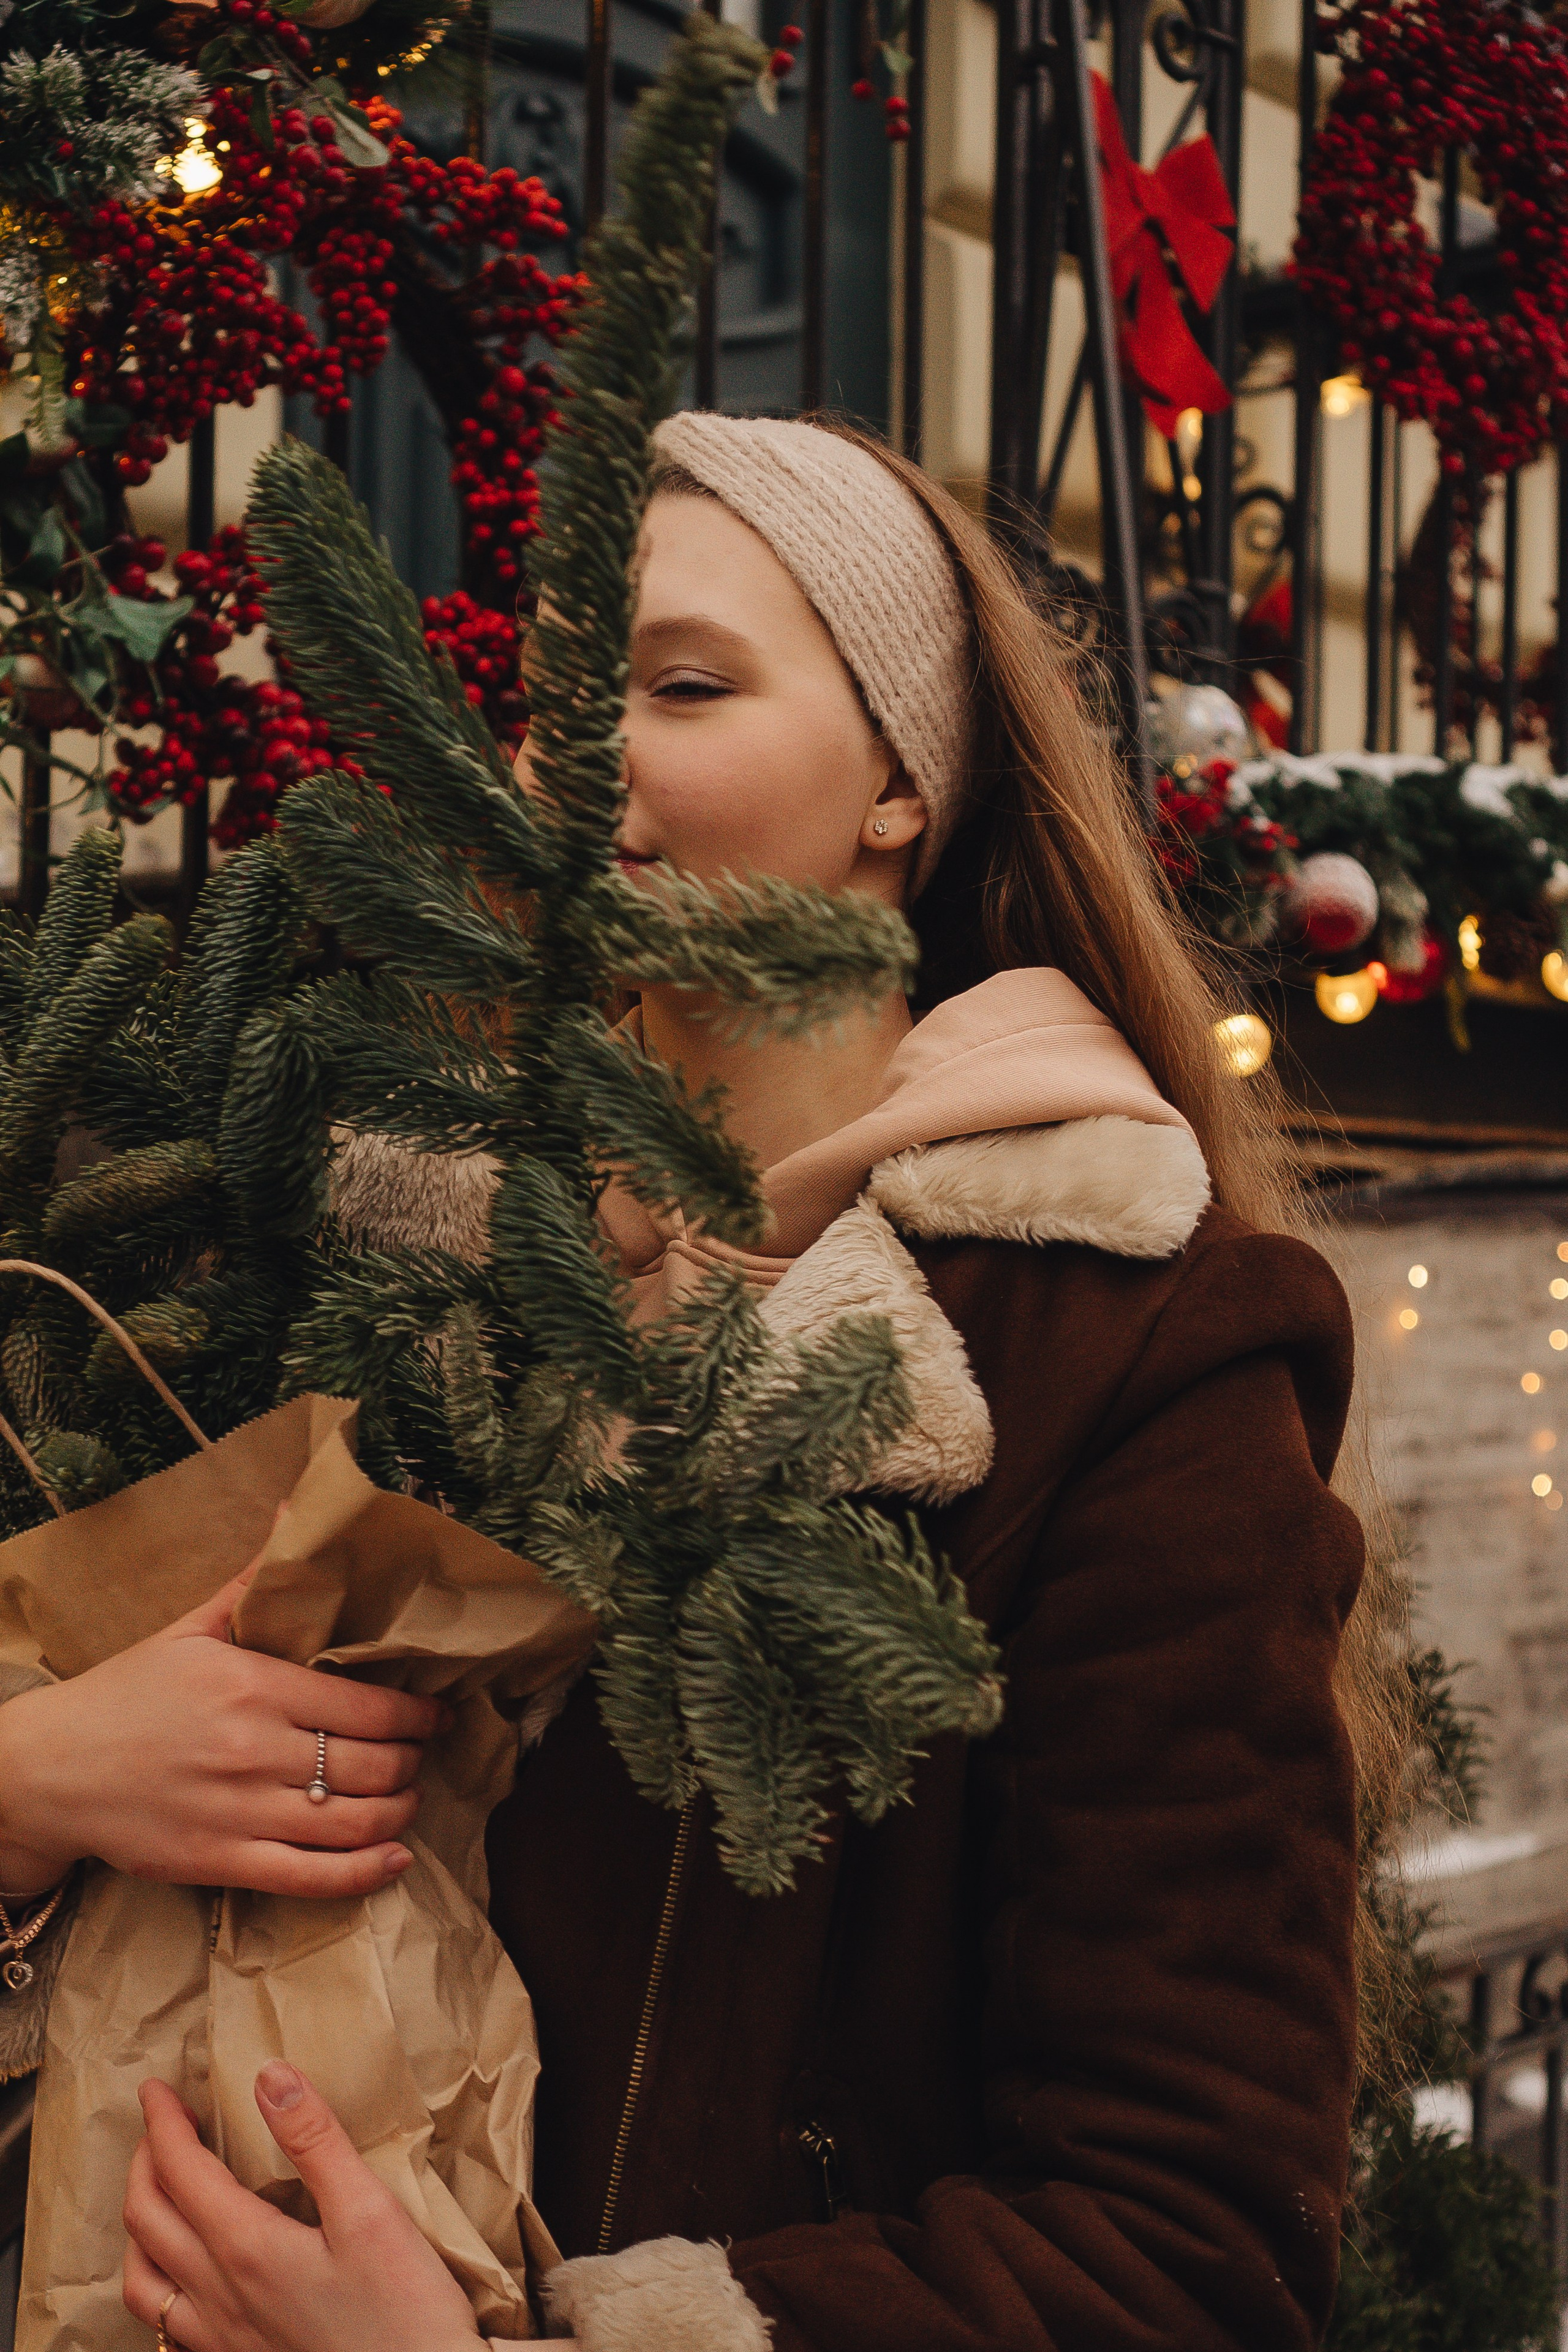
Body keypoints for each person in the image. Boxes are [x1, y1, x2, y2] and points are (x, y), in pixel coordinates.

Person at [0, 413, 1382, 2352]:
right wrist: (34, 1786)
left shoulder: (1129, 1350)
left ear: (902, 777)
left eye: (679, 686)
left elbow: (1191, 2250)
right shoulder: (378, 1257)